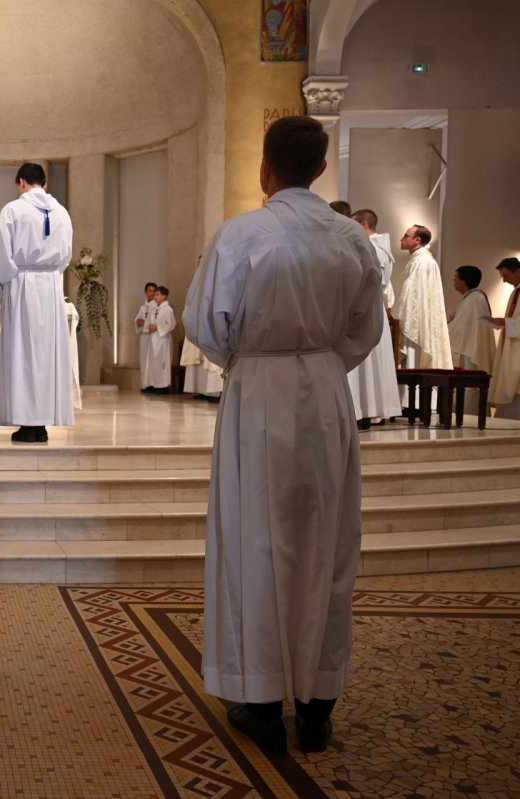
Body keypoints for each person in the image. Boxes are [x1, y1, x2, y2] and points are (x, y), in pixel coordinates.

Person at [184, 115, 383, 754]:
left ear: (265, 168)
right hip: (326, 392)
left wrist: (254, 362)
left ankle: (261, 700)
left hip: (259, 392)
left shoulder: (243, 234)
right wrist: (320, 363)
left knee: (254, 539)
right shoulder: (350, 238)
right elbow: (365, 329)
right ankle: (319, 702)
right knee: (327, 542)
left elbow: (206, 323)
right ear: (321, 169)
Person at [0, 162, 74, 443]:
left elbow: (3, 255)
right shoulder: (61, 212)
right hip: (49, 286)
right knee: (46, 354)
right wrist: (49, 275)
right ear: (45, 184)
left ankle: (28, 423)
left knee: (23, 353)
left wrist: (5, 286)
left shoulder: (13, 210)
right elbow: (65, 256)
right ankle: (43, 423)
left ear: (21, 182)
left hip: (22, 285)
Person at [345, 208, 402, 427]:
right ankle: (368, 410)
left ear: (364, 225)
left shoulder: (375, 249)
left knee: (366, 365)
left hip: (365, 310)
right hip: (368, 310)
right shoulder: (377, 248)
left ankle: (366, 411)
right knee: (366, 367)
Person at [393, 223, 452, 369]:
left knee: (413, 362)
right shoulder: (423, 259)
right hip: (420, 320)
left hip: (415, 323)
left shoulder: (420, 261)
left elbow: (410, 295)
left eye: (406, 235)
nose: (401, 239)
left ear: (417, 240)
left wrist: (393, 313)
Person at [488, 257, 520, 419]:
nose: (504, 280)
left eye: (506, 276)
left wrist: (506, 322)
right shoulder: (516, 292)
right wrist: (505, 322)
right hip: (512, 344)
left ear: (518, 271)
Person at [143, 286, 176, 394]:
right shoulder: (154, 309)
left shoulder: (168, 309)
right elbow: (148, 321)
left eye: (157, 294)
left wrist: (158, 327)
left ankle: (163, 386)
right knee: (153, 363)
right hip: (153, 339)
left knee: (162, 362)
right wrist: (149, 326)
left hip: (162, 339)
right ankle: (153, 383)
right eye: (155, 294)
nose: (155, 296)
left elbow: (171, 324)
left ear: (164, 296)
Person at [135, 282, 158, 392]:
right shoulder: (143, 307)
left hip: (154, 337)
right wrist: (138, 323)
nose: (152, 293)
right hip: (144, 337)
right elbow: (138, 320)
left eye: (154, 291)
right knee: (144, 360)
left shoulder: (157, 306)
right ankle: (145, 384)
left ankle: (153, 384)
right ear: (145, 292)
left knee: (152, 361)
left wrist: (144, 324)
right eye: (150, 291)